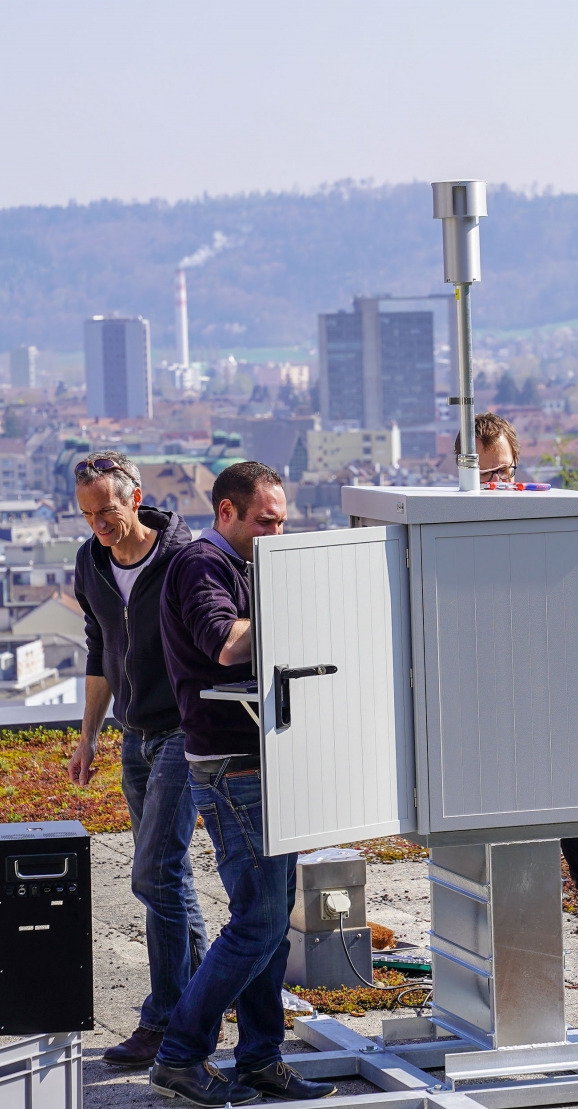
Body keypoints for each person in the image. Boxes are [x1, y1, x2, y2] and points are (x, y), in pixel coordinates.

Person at [148, 461, 329, 1107]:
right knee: (256, 923)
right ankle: (179, 1054)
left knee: (271, 926)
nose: (277, 531)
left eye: (283, 519)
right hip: (234, 770)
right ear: (226, 512)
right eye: (265, 521)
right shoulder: (203, 564)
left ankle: (259, 1058)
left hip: (259, 762)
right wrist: (304, 610)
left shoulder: (251, 563)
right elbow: (225, 643)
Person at [462, 413, 578, 1027]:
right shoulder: (447, 523)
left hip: (564, 720)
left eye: (505, 471)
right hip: (489, 723)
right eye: (484, 476)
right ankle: (496, 993)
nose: (496, 485)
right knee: (491, 864)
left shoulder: (556, 512)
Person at [65, 451, 208, 1068]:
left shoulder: (182, 557)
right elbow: (100, 648)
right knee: (168, 879)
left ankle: (163, 1019)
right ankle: (200, 999)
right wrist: (88, 733)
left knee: (152, 873)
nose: (100, 524)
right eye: (88, 515)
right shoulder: (91, 563)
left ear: (136, 497)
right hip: (134, 732)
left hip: (184, 730)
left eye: (108, 510)